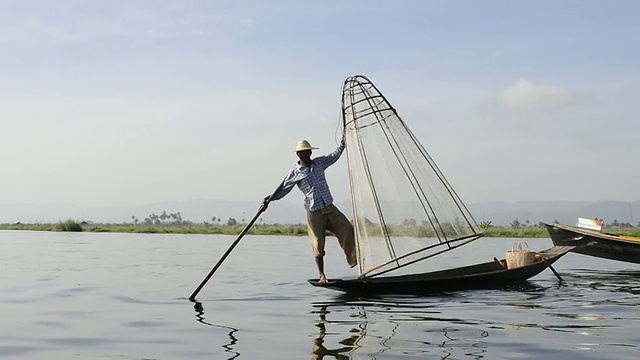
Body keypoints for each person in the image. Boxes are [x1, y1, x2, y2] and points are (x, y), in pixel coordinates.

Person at [261, 137, 357, 285]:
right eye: (301, 153)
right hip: (314, 212)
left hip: (329, 207)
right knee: (318, 245)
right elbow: (283, 190)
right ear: (297, 155)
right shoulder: (294, 172)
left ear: (310, 152)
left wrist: (344, 142)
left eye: (306, 152)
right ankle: (322, 275)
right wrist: (269, 199)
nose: (304, 155)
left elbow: (335, 155)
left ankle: (355, 262)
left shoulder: (319, 163)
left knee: (347, 230)